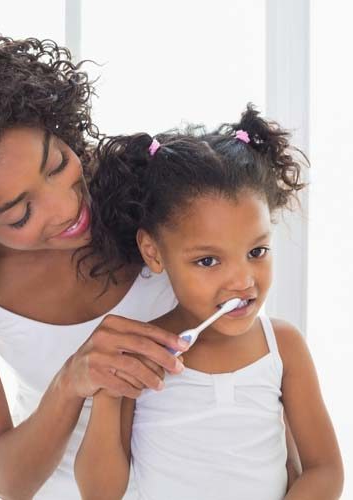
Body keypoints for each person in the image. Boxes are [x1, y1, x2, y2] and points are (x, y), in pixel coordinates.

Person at [0, 31, 301, 499]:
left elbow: (259, 376)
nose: (66, 208)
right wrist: (72, 381)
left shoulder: (145, 194)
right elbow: (6, 479)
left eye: (57, 163)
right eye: (20, 213)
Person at [74, 106, 344, 500]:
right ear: (153, 252)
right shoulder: (140, 353)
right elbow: (100, 492)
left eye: (257, 251)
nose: (243, 281)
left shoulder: (282, 346)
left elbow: (325, 470)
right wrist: (108, 394)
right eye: (208, 261)